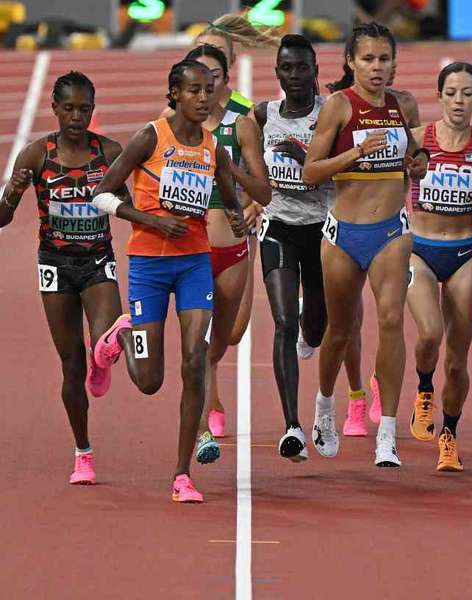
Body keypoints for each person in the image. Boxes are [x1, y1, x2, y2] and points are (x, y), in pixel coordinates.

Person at [91, 59, 248, 502]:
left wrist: (237, 217)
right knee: (149, 380)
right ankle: (121, 336)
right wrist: (150, 222)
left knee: (195, 359)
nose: (204, 98)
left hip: (195, 261)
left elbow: (229, 195)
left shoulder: (213, 147)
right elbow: (101, 193)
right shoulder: (150, 137)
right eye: (194, 91)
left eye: (209, 90)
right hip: (148, 265)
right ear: (175, 94)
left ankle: (182, 475)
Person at [302, 22, 428, 467]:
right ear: (351, 62)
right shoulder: (338, 106)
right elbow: (310, 172)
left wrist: (418, 165)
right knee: (340, 330)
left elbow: (419, 159)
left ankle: (387, 433)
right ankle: (323, 406)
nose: (377, 68)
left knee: (392, 320)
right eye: (368, 59)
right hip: (343, 234)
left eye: (384, 59)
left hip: (391, 231)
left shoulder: (403, 104)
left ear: (394, 62)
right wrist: (354, 153)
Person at [0, 72, 127, 485]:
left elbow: (133, 199)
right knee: (70, 365)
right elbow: (2, 219)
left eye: (84, 108)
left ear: (93, 108)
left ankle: (103, 356)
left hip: (97, 260)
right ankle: (83, 452)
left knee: (110, 332)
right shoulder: (35, 155)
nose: (76, 116)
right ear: (54, 108)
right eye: (68, 108)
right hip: (55, 264)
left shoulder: (109, 152)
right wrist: (12, 193)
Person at [167, 44, 269, 450]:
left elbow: (262, 186)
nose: (204, 89)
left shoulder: (240, 125)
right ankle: (203, 420)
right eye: (197, 80)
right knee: (196, 342)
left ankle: (209, 394)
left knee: (231, 334)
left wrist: (250, 200)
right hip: (190, 248)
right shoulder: (167, 127)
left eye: (213, 79)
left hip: (235, 243)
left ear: (224, 81)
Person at [406, 62, 472, 470]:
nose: (459, 101)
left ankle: (450, 436)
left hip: (464, 252)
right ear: (440, 95)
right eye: (452, 93)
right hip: (421, 250)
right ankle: (424, 390)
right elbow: (386, 183)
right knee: (430, 332)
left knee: (458, 359)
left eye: (467, 93)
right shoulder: (417, 140)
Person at [194, 13, 280, 436]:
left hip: (239, 230)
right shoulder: (178, 114)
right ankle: (207, 402)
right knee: (197, 333)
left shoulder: (247, 115)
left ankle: (208, 380)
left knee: (233, 331)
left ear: (228, 67)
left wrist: (256, 208)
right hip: (192, 236)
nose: (207, 76)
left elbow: (264, 173)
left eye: (216, 66)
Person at [253, 34, 334, 461]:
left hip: (323, 230)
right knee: (283, 323)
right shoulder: (263, 115)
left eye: (303, 67)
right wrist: (247, 200)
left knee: (314, 329)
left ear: (316, 71)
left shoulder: (332, 115)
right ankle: (292, 426)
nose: (296, 76)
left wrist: (304, 155)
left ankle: (310, 321)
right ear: (278, 73)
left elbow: (343, 172)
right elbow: (245, 167)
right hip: (280, 227)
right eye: (287, 68)